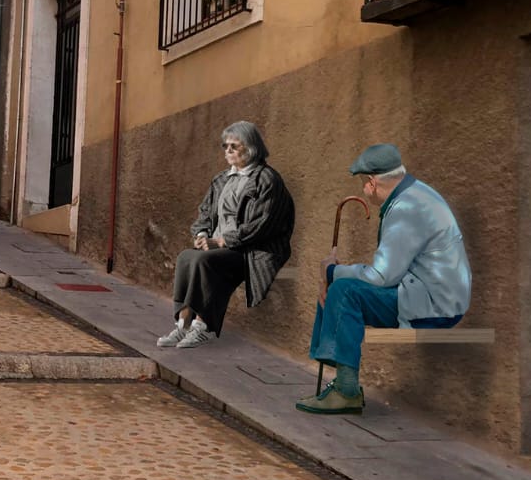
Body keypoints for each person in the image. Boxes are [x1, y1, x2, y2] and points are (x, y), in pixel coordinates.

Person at [298, 143, 472, 414]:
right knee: (342, 289)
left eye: (362, 184)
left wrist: (331, 272)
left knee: (345, 291)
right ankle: (342, 381)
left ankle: (346, 390)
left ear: (371, 183)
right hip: (432, 295)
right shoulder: (415, 194)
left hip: (435, 306)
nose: (363, 190)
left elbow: (381, 277)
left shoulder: (406, 208)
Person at [157, 121, 295, 350]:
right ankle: (183, 324)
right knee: (185, 257)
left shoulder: (267, 180)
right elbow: (204, 213)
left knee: (205, 261)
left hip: (251, 250)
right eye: (225, 146)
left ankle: (204, 327)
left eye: (234, 146)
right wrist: (201, 234)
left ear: (251, 148)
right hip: (218, 246)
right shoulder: (221, 179)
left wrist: (222, 241)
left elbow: (263, 224)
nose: (228, 151)